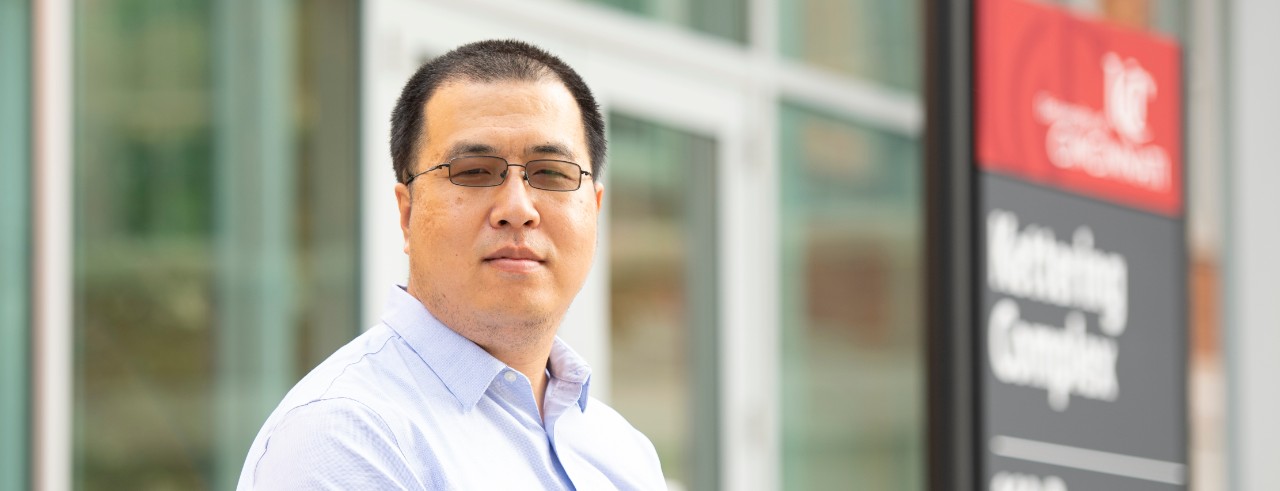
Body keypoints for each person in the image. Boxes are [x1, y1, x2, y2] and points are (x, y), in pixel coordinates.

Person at [236, 39, 665, 490]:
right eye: (475, 171)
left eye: (551, 173)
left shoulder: (621, 448)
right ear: (407, 213)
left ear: (594, 211)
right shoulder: (345, 435)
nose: (518, 208)